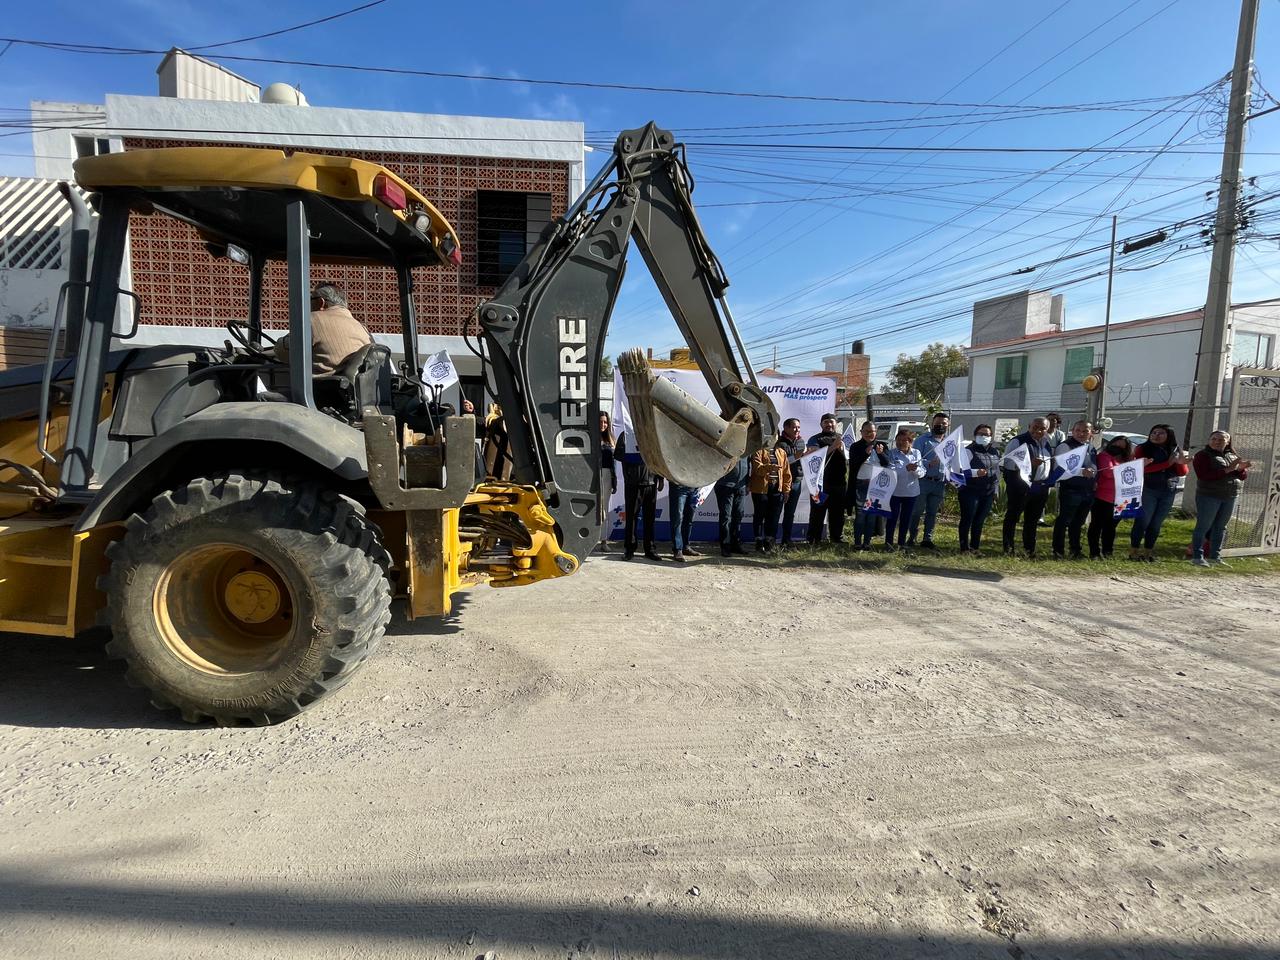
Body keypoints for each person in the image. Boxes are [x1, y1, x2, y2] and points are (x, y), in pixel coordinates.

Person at [274, 283, 374, 375]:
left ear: (320, 302)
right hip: (353, 389)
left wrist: (279, 345)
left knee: (263, 394)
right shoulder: (361, 327)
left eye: (310, 299)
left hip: (320, 389)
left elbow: (283, 352)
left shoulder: (312, 320)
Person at [1190, 430, 1251, 567]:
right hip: (1209, 496)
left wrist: (1241, 469)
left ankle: (1215, 556)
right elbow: (1204, 476)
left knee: (1221, 527)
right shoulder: (1202, 455)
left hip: (1230, 495)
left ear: (1228, 442)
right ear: (1209, 440)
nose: (1217, 442)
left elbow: (1241, 476)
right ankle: (1197, 556)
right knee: (1203, 526)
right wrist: (1228, 469)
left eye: (1221, 440)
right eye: (1214, 439)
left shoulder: (1231, 455)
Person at [1128, 424, 1189, 562]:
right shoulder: (1142, 448)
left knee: (1156, 524)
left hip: (1168, 489)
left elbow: (1182, 472)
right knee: (1143, 521)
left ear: (1169, 436)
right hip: (1149, 489)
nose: (1156, 435)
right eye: (1153, 432)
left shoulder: (1174, 449)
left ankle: (1148, 552)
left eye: (1160, 433)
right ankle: (1133, 552)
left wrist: (1180, 463)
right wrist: (1166, 464)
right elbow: (1140, 469)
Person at [1001, 417, 1054, 557]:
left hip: (1040, 487)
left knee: (1032, 520)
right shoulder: (1018, 441)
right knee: (1013, 517)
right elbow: (1007, 464)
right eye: (1035, 426)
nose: (1038, 430)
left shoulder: (1046, 443)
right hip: (1021, 486)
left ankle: (1029, 549)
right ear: (1029, 426)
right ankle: (1008, 548)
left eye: (1042, 428)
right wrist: (1029, 464)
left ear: (1047, 429)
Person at [1051, 420, 1098, 560]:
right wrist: (1081, 472)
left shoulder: (1090, 447)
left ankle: (1075, 550)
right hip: (1071, 489)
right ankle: (1058, 551)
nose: (1081, 433)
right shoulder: (1065, 446)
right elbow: (1059, 469)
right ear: (1073, 430)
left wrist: (1095, 479)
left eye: (1085, 431)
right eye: (1078, 430)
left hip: (1088, 490)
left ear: (1091, 433)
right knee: (1064, 520)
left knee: (1078, 522)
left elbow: (1094, 466)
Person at [616, 431, 664, 562]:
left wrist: (661, 478)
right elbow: (619, 455)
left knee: (650, 518)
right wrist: (629, 476)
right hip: (633, 484)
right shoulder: (625, 435)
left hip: (651, 483)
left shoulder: (652, 433)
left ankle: (650, 549)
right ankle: (629, 549)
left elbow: (659, 457)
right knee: (631, 518)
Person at [909, 411, 951, 550]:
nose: (940, 425)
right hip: (924, 481)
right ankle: (911, 537)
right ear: (932, 423)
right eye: (938, 423)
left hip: (939, 482)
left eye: (943, 423)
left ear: (948, 424)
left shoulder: (949, 442)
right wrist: (928, 463)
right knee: (917, 511)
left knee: (932, 512)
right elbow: (915, 459)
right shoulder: (923, 440)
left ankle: (928, 539)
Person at [805, 413, 849, 544]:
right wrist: (833, 447)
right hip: (819, 485)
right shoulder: (815, 439)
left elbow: (849, 457)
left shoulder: (842, 438)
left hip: (839, 483)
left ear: (836, 423)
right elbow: (814, 456)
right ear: (821, 424)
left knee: (838, 514)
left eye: (831, 422)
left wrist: (841, 448)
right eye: (826, 422)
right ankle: (814, 539)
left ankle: (836, 538)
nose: (829, 424)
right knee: (817, 512)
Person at [1088, 434, 1133, 559]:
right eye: (1116, 444)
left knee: (1111, 527)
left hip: (1121, 498)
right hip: (1103, 496)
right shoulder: (1104, 456)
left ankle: (1108, 551)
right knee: (1097, 525)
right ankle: (1094, 552)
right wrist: (1126, 469)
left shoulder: (1127, 459)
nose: (1118, 448)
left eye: (1122, 447)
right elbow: (1107, 472)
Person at [957, 424, 1000, 554]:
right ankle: (964, 548)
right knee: (967, 518)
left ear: (991, 437)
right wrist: (976, 473)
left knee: (979, 520)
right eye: (981, 434)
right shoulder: (968, 450)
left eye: (987, 434)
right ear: (975, 436)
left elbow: (997, 472)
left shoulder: (995, 452)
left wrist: (996, 491)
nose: (984, 436)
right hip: (970, 490)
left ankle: (975, 548)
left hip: (988, 491)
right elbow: (960, 471)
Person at [847, 421, 889, 550]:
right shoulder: (855, 446)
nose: (870, 434)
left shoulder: (882, 445)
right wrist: (866, 453)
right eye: (866, 431)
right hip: (861, 483)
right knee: (860, 514)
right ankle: (858, 542)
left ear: (876, 432)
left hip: (876, 484)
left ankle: (867, 542)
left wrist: (881, 453)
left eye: (872, 431)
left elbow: (887, 463)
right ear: (861, 432)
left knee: (872, 514)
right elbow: (853, 464)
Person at [749, 443, 791, 552]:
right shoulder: (758, 450)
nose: (774, 438)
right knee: (759, 515)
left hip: (777, 489)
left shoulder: (782, 452)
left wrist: (786, 490)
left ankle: (769, 542)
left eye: (776, 435)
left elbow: (786, 473)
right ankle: (758, 541)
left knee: (773, 517)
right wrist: (770, 467)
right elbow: (757, 469)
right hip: (760, 489)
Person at [884, 429, 921, 549]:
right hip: (895, 491)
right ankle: (889, 542)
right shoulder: (891, 453)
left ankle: (901, 543)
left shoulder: (916, 453)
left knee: (906, 519)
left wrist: (915, 470)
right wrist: (905, 468)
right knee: (892, 518)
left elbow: (922, 472)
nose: (899, 443)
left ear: (910, 442)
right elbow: (891, 471)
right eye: (897, 440)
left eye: (903, 440)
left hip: (911, 492)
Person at [774, 418, 807, 547]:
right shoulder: (780, 443)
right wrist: (796, 457)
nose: (797, 430)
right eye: (794, 427)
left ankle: (786, 540)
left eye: (798, 427)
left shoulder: (801, 441)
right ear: (786, 428)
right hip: (781, 482)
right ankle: (771, 539)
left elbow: (802, 459)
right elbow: (781, 463)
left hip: (796, 481)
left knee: (790, 513)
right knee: (776, 512)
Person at [714, 457, 750, 557]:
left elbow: (748, 464)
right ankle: (725, 546)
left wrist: (747, 483)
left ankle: (735, 544)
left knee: (738, 515)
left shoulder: (746, 447)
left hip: (741, 486)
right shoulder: (729, 444)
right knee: (726, 517)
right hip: (725, 485)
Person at [597, 412, 618, 554]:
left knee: (604, 509)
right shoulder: (590, 438)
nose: (603, 425)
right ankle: (590, 540)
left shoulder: (611, 440)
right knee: (592, 509)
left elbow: (614, 464)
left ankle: (603, 541)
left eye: (605, 422)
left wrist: (614, 479)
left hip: (606, 476)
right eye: (600, 422)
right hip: (592, 476)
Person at [669, 481, 701, 562]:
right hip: (678, 487)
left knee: (689, 519)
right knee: (677, 519)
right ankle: (677, 549)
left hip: (693, 487)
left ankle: (685, 546)